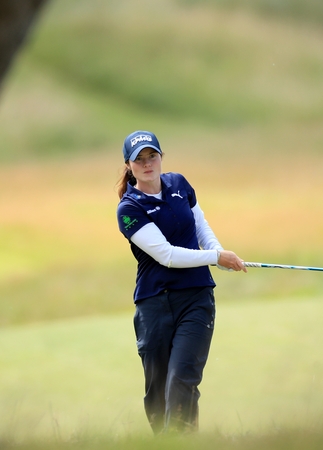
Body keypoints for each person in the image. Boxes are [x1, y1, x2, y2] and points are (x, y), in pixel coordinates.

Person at [115, 130, 246, 435]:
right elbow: (167, 255)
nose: (148, 164)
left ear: (161, 157)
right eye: (140, 159)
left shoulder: (179, 184)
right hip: (154, 305)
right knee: (157, 394)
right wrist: (215, 258)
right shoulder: (129, 209)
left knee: (181, 381)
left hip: (196, 299)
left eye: (152, 156)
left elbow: (201, 226)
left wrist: (219, 253)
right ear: (129, 166)